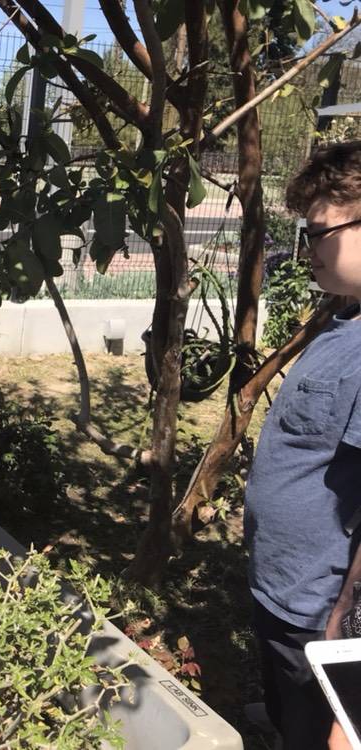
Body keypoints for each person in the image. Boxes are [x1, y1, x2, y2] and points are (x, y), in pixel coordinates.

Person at [241, 140, 361, 750]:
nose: (307, 247)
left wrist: (349, 621)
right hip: (285, 587)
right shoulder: (345, 322)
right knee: (287, 691)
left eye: (319, 232)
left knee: (316, 719)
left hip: (320, 606)